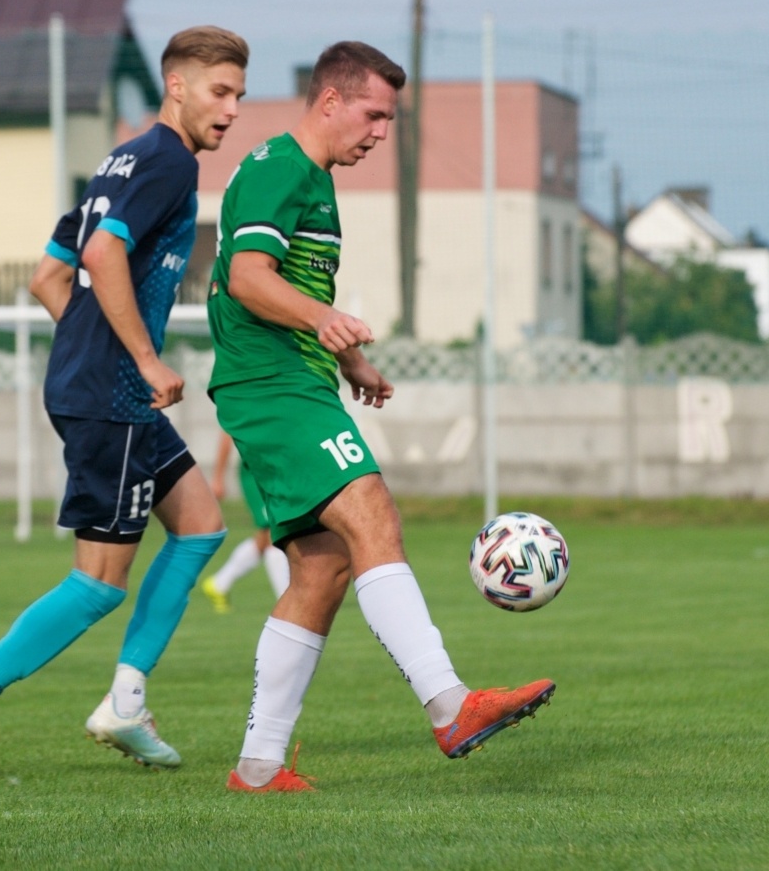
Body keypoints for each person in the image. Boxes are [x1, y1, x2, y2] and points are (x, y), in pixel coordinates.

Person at [207, 41, 555, 793]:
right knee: (372, 513)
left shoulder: (316, 182)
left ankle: (259, 766)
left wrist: (347, 359)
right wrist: (325, 318)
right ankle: (450, 704)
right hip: (269, 385)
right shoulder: (278, 168)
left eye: (389, 119)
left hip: (292, 380)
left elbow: (285, 290)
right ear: (329, 100)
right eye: (373, 114)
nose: (380, 132)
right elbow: (245, 278)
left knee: (324, 566)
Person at [0, 26, 250, 780]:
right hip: (114, 396)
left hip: (106, 388)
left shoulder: (117, 158)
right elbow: (99, 257)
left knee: (199, 526)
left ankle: (126, 701)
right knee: (97, 581)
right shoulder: (165, 163)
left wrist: (99, 349)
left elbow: (48, 278)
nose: (231, 110)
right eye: (220, 92)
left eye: (239, 96)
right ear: (178, 86)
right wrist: (140, 357)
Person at [202, 432, 289, 612]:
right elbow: (226, 433)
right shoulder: (242, 403)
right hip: (256, 471)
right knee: (274, 534)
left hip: (276, 468)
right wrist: (218, 477)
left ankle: (220, 583)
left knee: (265, 538)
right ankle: (287, 600)